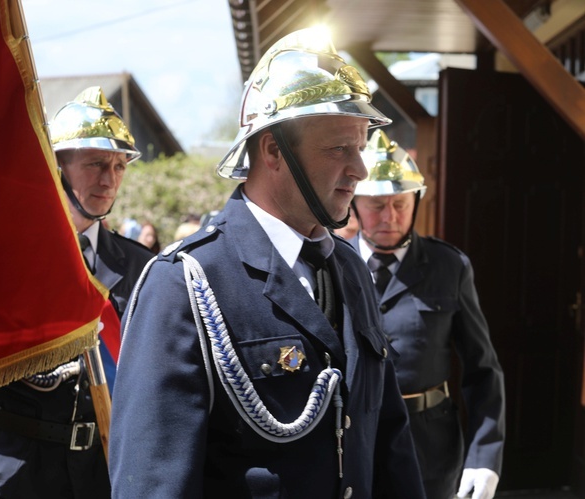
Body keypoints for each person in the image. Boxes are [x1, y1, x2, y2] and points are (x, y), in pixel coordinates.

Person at [109, 28, 425, 498]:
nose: (359, 168)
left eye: (360, 147)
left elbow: (387, 442)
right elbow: (153, 483)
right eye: (340, 147)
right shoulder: (185, 283)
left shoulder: (350, 269)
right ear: (273, 150)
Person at [0, 86, 154, 498]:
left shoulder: (141, 265)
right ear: (55, 168)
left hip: (99, 473)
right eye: (95, 164)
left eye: (120, 166)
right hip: (9, 472)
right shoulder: (1, 260)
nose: (110, 180)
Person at [348, 129, 505, 499]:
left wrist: (484, 456)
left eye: (400, 203)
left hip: (430, 445)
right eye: (376, 205)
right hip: (354, 440)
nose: (389, 216)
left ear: (416, 202)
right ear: (354, 204)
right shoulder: (331, 263)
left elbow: (483, 370)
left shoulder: (449, 266)